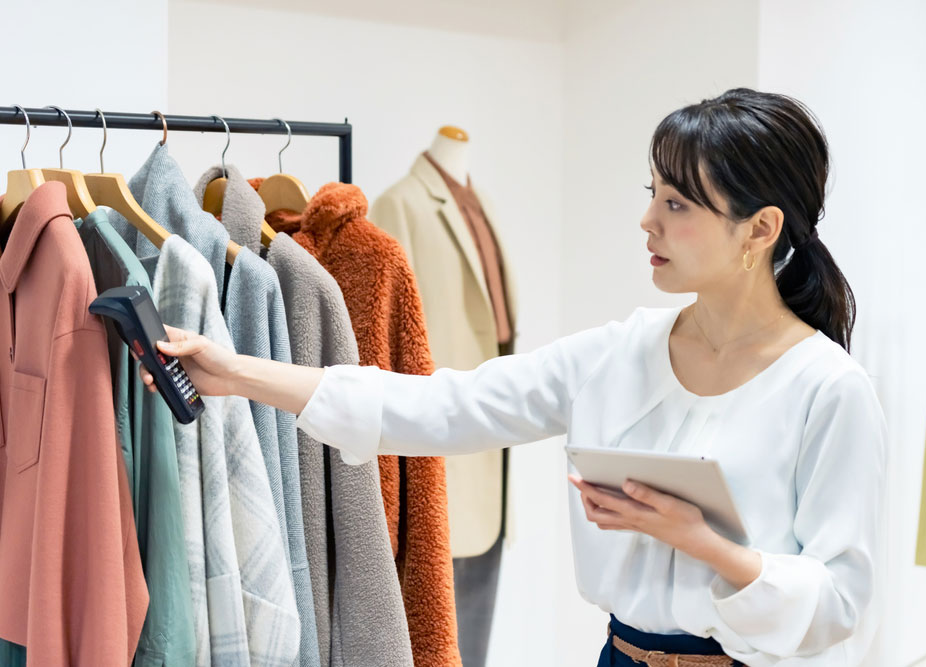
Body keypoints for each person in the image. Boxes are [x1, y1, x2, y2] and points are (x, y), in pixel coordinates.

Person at [140, 88, 887, 667]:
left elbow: (841, 599)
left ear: (760, 229)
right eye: (651, 194)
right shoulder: (618, 354)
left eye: (676, 204)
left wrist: (706, 543)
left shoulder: (827, 389)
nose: (647, 222)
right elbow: (440, 403)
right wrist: (236, 372)